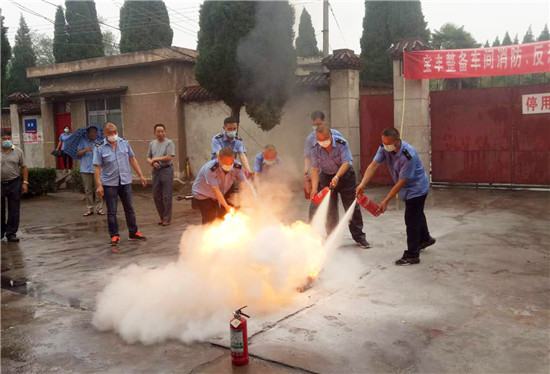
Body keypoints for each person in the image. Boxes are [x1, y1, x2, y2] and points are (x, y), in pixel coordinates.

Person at [356, 127, 436, 266]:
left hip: (416, 189)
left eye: (388, 143)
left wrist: (385, 201)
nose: (385, 146)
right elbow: (374, 165)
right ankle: (425, 239)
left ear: (398, 141)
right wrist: (363, 183)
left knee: (411, 221)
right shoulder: (384, 148)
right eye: (383, 142)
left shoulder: (408, 155)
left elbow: (401, 182)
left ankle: (412, 255)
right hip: (407, 189)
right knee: (417, 215)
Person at [310, 124, 370, 248]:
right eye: (320, 139)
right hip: (326, 178)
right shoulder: (315, 148)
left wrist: (337, 177)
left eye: (325, 138)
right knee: (330, 209)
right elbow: (315, 169)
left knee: (351, 207)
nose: (323, 141)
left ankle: (359, 237)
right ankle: (332, 238)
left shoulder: (342, 143)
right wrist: (314, 189)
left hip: (345, 177)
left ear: (331, 135)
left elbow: (346, 163)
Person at [93, 122, 147, 248]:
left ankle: (133, 232)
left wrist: (141, 175)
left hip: (125, 181)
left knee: (130, 208)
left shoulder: (124, 143)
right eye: (110, 133)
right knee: (112, 211)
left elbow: (132, 159)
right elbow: (97, 167)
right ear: (104, 134)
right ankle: (114, 235)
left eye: (115, 132)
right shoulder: (99, 147)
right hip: (110, 183)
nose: (113, 135)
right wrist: (99, 185)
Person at [304, 111, 342, 221]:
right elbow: (307, 158)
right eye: (314, 125)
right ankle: (311, 230)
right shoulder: (310, 139)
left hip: (334, 174)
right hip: (319, 175)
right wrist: (306, 174)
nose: (316, 127)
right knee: (315, 203)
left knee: (332, 205)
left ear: (324, 120)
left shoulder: (336, 135)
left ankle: (331, 232)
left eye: (319, 124)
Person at [192, 147, 246, 224]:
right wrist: (227, 206)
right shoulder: (210, 168)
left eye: (231, 162)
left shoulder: (237, 166)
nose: (229, 164)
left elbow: (244, 184)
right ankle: (208, 235)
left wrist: (248, 201)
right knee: (210, 219)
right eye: (226, 162)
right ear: (219, 159)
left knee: (224, 216)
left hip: (221, 192)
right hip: (203, 194)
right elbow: (216, 190)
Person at [1, 130, 28, 242]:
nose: (6, 140)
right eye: (4, 138)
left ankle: (11, 233)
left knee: (14, 210)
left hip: (14, 183)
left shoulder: (18, 151)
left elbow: (24, 167)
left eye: (8, 138)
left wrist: (25, 183)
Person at [146, 124, 175, 226]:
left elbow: (169, 157)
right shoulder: (152, 144)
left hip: (167, 170)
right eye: (158, 131)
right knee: (156, 195)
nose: (160, 133)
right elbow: (148, 157)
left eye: (162, 131)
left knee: (167, 195)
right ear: (155, 133)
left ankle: (167, 218)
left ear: (165, 132)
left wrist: (156, 159)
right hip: (156, 171)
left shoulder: (169, 143)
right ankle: (162, 217)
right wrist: (152, 162)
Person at [76, 126, 104, 216]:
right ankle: (89, 208)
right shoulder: (83, 141)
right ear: (88, 133)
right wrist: (86, 150)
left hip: (97, 169)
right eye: (91, 132)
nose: (93, 134)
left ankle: (99, 208)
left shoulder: (100, 142)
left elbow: (103, 153)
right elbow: (78, 153)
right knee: (88, 190)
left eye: (95, 132)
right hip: (86, 169)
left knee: (99, 189)